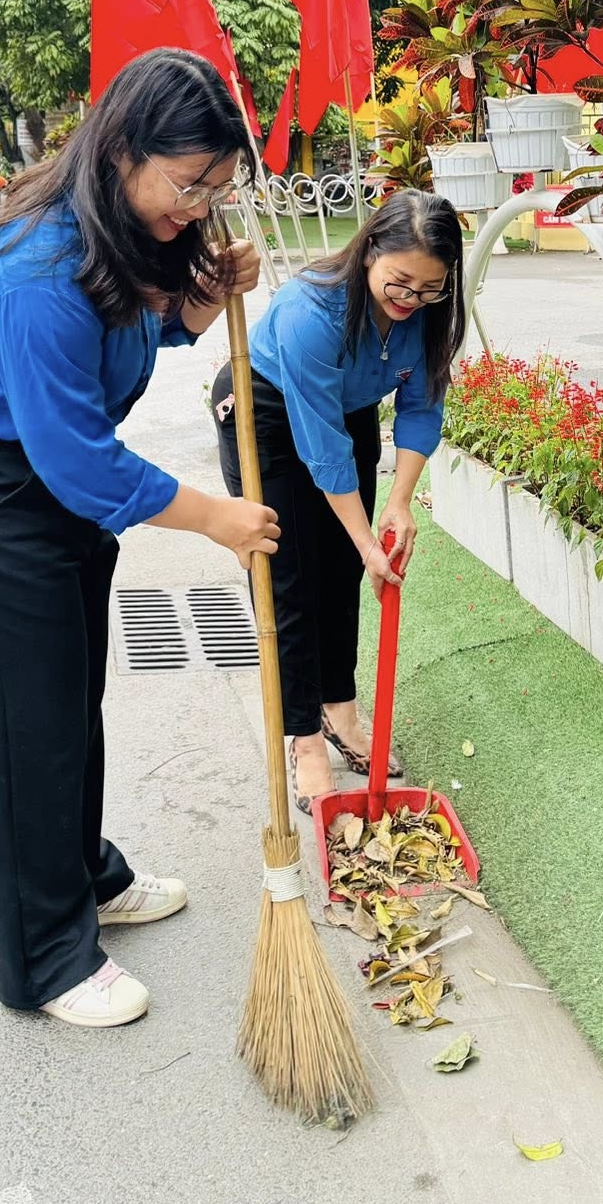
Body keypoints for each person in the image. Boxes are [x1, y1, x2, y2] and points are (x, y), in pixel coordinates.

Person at [0, 50, 281, 1029]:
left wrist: (200, 298)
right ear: (121, 151)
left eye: (216, 189)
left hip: (48, 506)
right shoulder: (37, 270)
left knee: (68, 710)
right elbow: (78, 459)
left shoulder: (110, 236)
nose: (197, 209)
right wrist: (217, 519)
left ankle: (84, 876)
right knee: (18, 739)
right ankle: (44, 957)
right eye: (188, 184)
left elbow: (131, 340)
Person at [210, 190, 466, 812]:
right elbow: (321, 449)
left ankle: (340, 712)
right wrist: (362, 535)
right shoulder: (310, 310)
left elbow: (421, 406)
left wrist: (400, 503)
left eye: (429, 289)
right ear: (370, 249)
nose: (411, 301)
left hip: (345, 413)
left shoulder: (427, 310)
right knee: (290, 578)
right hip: (266, 414)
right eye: (399, 283)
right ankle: (304, 741)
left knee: (343, 575)